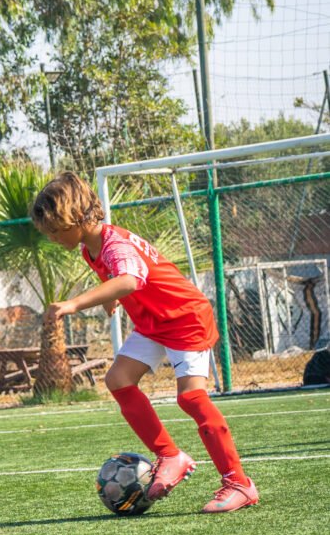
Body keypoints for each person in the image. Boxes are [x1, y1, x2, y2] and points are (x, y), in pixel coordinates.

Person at [31, 172, 258, 513]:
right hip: (154, 323)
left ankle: (239, 483)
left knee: (191, 398)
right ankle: (170, 455)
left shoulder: (114, 243)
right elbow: (127, 279)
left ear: (75, 218)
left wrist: (75, 303)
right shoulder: (91, 249)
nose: (51, 237)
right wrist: (114, 298)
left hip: (184, 318)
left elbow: (130, 278)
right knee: (118, 380)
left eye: (54, 229)